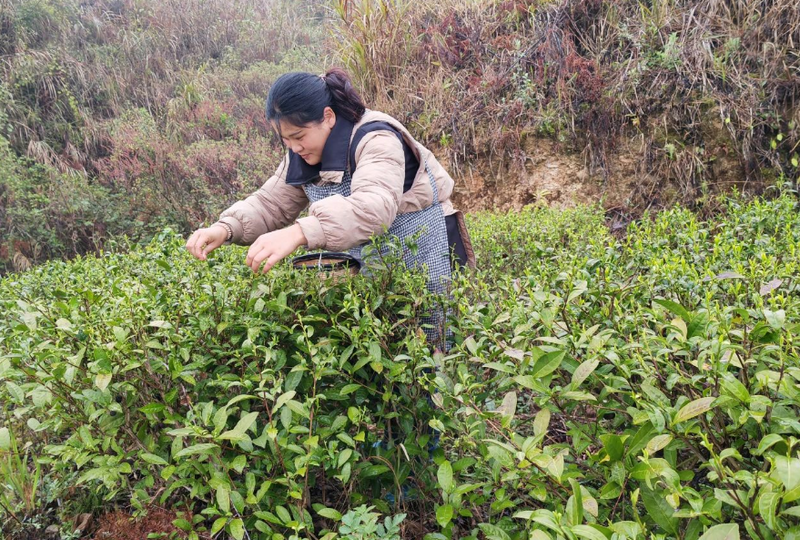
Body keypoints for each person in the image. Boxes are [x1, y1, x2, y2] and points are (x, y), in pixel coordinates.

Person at [185, 68, 474, 346]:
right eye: (286, 140)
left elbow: (373, 208)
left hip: (423, 249)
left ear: (328, 117)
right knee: (385, 343)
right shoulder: (302, 154)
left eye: (299, 137)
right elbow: (270, 202)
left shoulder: (376, 138)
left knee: (434, 342)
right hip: (371, 258)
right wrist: (226, 228)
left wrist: (300, 232)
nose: (294, 147)